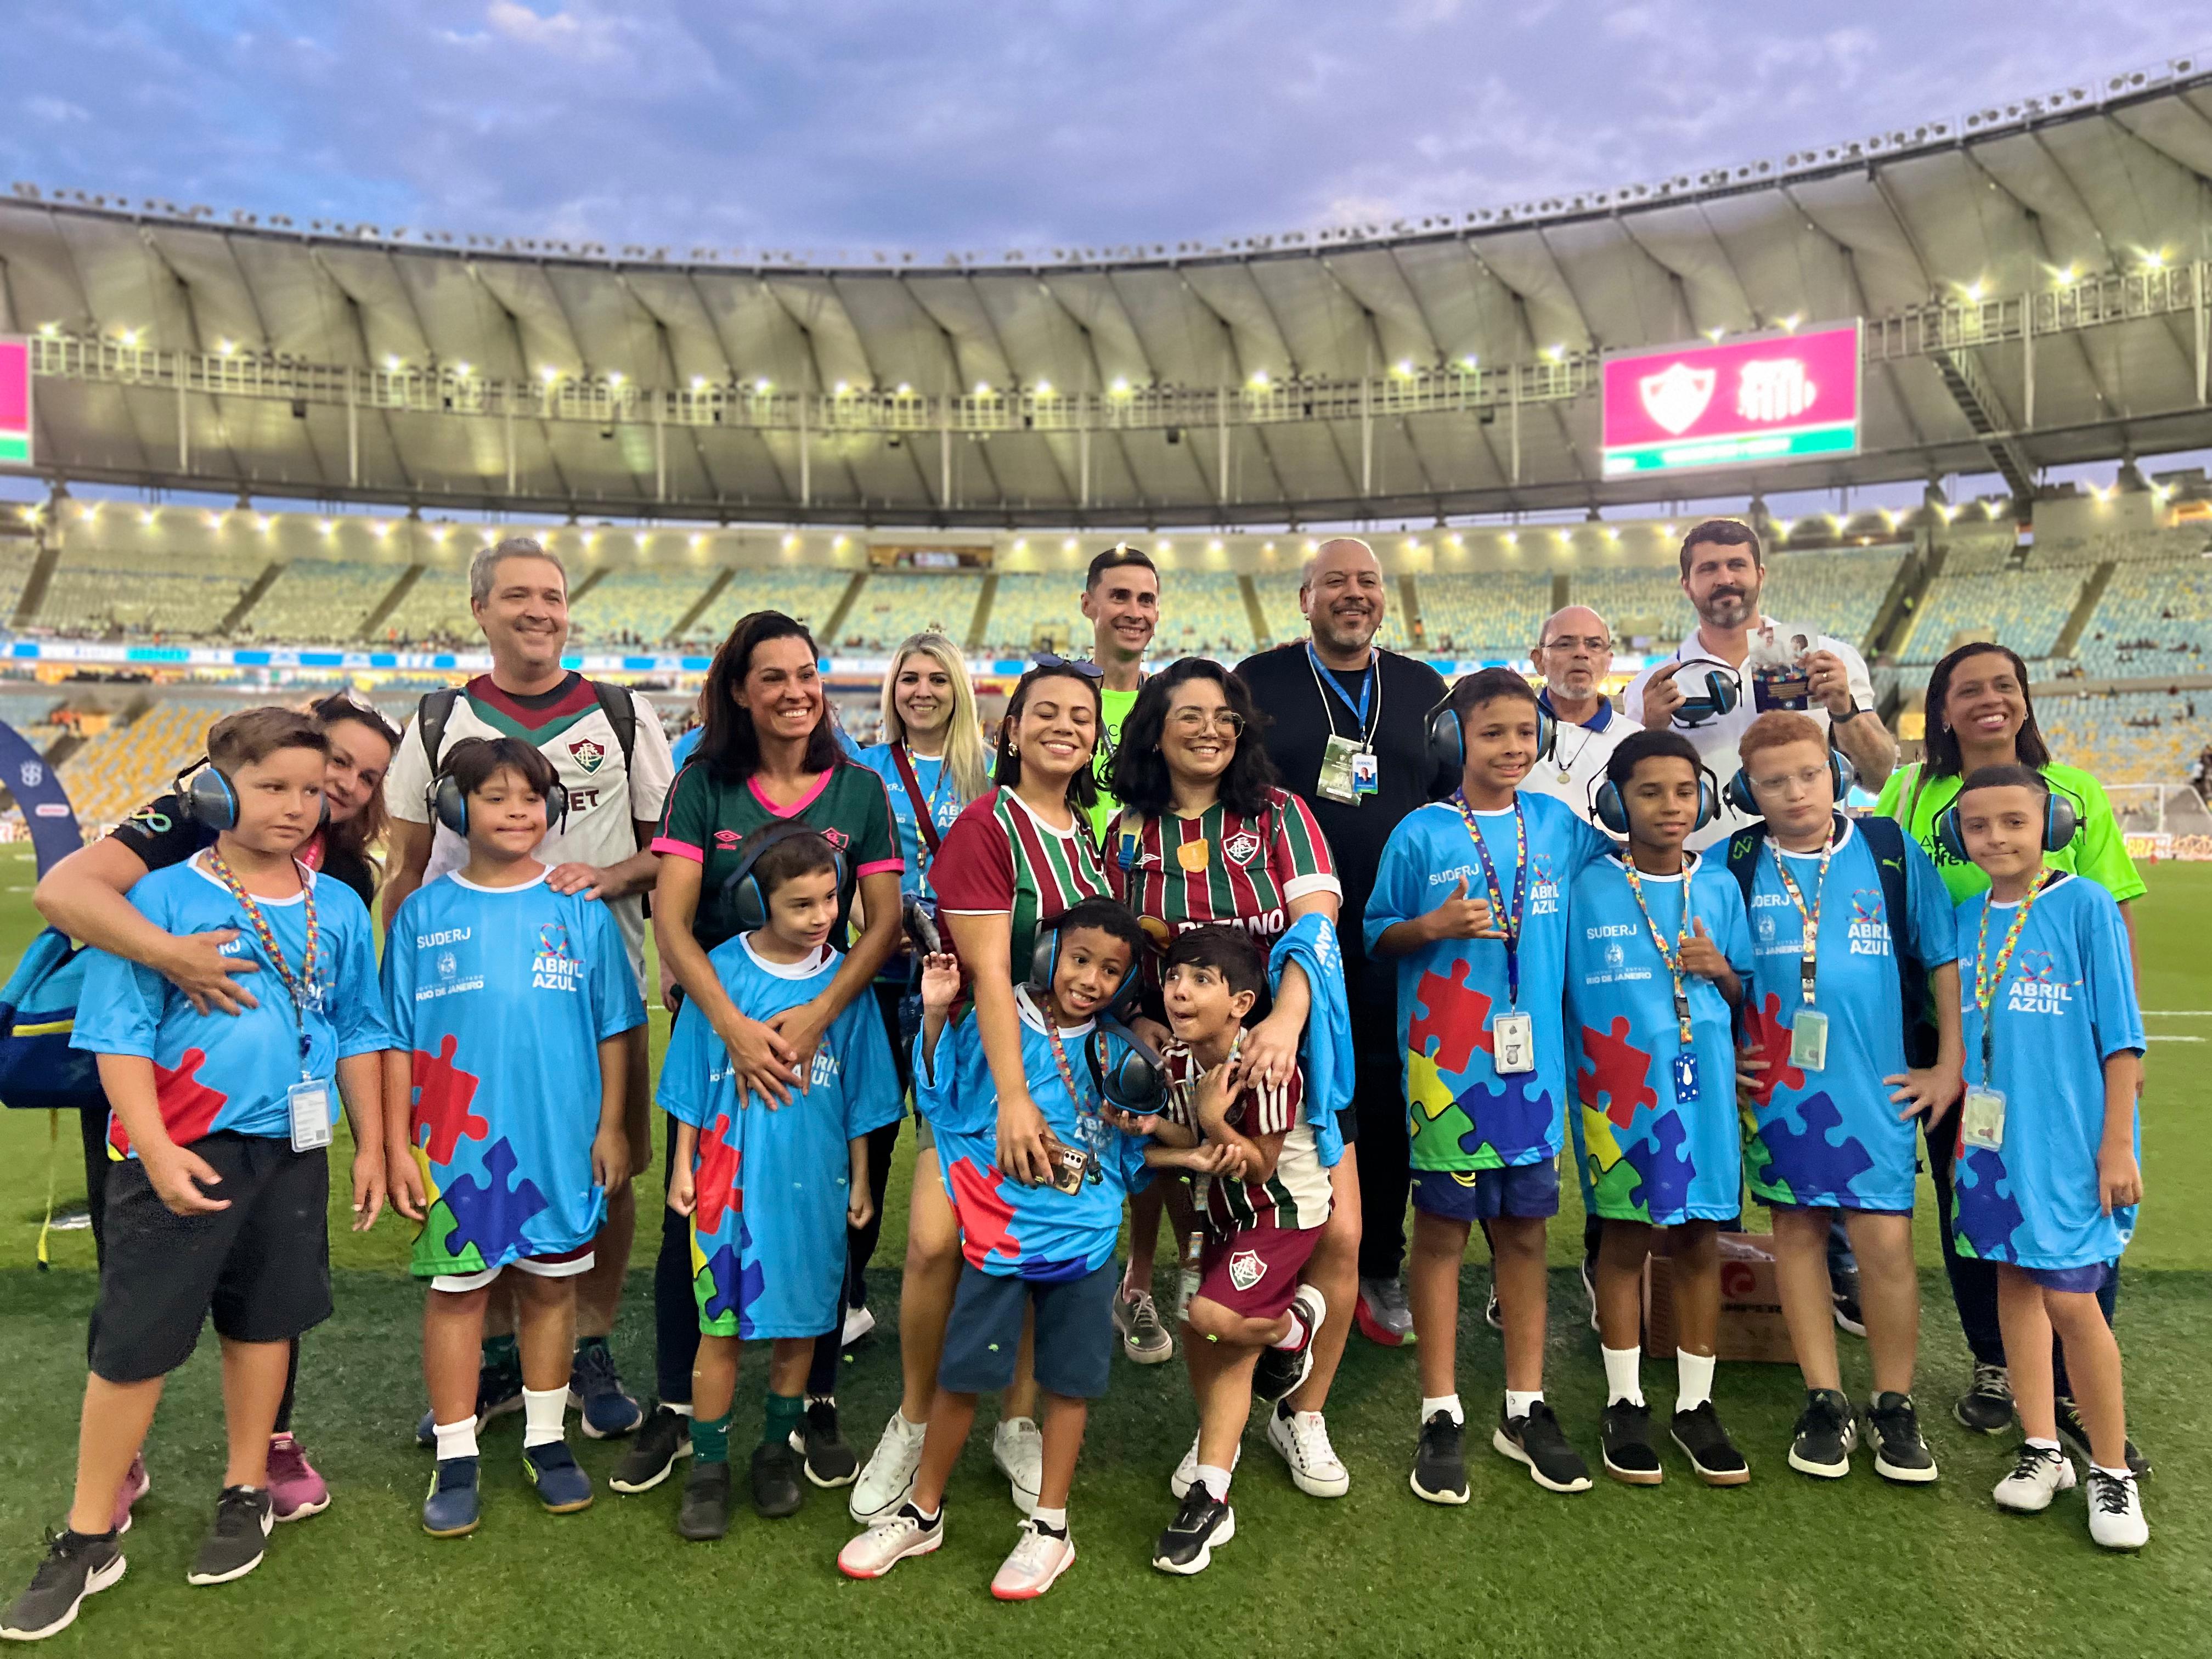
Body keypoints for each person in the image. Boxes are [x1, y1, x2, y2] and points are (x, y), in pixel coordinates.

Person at [2, 711, 391, 1643]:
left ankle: (246, 1484)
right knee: (134, 1341)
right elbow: (117, 1033)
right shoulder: (162, 899)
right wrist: (152, 1142)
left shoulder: (337, 901)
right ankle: (91, 1528)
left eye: (312, 789)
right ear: (217, 790)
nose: (301, 805)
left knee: (266, 1321)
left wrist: (376, 1141)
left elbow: (362, 1025)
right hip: (176, 1147)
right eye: (275, 787)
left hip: (291, 1151)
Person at [383, 538, 675, 1446]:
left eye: (552, 595)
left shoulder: (623, 714)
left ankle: (587, 1342)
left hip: (597, 988)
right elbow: (401, 865)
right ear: (480, 608)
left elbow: (667, 851)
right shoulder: (438, 721)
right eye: (517, 595)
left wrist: (607, 879)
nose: (539, 609)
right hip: (467, 1002)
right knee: (476, 1163)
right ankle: (502, 1354)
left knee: (607, 1166)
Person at [622, 610, 902, 1497]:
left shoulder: (857, 787)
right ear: (739, 689)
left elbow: (884, 919)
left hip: (834, 1029)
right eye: (772, 676)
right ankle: (679, 1411)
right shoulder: (704, 781)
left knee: (830, 1222)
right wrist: (734, 1026)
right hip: (718, 1027)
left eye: (806, 672)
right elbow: (669, 916)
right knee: (691, 1227)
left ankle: (810, 1404)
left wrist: (819, 1011)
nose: (795, 691)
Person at [1875, 642, 2148, 1470]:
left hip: (2059, 1045)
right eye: (1968, 691)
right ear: (1942, 710)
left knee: (2071, 1221)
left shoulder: (2077, 796)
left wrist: (2119, 1049)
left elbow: (2117, 918)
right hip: (1958, 1047)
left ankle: (2077, 1384)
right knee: (1977, 1214)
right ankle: (2001, 1368)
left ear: (2025, 699)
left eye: (2004, 685)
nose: (1989, 700)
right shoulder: (1914, 791)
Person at [848, 657, 1107, 1523]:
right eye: (1046, 713)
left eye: (1081, 714)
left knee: (1035, 1242)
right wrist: (1013, 1099)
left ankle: (1017, 1418)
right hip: (980, 1074)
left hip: (1062, 1081)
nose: (1064, 726)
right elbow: (992, 977)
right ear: (1012, 728)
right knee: (933, 1245)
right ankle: (917, 1417)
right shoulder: (986, 828)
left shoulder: (1093, 833)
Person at [838, 901, 1158, 1599]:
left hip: (1084, 1242)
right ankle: (923, 1512)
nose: (1092, 981)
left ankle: (1051, 1528)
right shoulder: (998, 1020)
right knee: (959, 1376)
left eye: (1111, 971)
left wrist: (1140, 1127)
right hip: (1001, 1237)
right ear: (1046, 956)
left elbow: (1133, 1160)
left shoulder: (1116, 1049)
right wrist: (932, 1014)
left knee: (1069, 1385)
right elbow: (942, 1098)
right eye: (1079, 960)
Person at [383, 738, 645, 1538]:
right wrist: (395, 1143)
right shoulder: (425, 913)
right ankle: (457, 1452)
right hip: (454, 1148)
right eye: (495, 799)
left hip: (557, 1143)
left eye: (531, 800)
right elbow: (396, 1036)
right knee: (457, 1293)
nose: (517, 814)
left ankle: (545, 1438)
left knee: (551, 1288)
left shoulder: (578, 907)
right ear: (457, 810)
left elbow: (614, 1030)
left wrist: (610, 1129)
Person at [1365, 668, 1610, 1503]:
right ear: (1451, 741)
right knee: (1439, 1236)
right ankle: (1441, 1409)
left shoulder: (1558, 825)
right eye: (1492, 733)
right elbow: (1375, 934)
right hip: (1447, 1080)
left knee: (1527, 1237)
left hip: (1532, 1078)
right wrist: (1431, 927)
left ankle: (1524, 1404)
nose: (1511, 749)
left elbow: (1632, 846)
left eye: (1523, 734)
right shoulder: (1422, 834)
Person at [1726, 712, 1960, 1484]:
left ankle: (1894, 1404)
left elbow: (1945, 959)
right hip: (1783, 1092)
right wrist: (1730, 1054)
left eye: (1808, 775)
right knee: (1795, 1235)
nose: (1794, 793)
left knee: (1885, 1245)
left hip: (1876, 1087)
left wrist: (1947, 1067)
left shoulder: (1888, 851)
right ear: (1747, 791)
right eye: (1773, 782)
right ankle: (1824, 1399)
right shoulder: (1738, 860)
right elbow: (1715, 972)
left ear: (1836, 773)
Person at [1103, 657, 1341, 1409]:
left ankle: (1303, 1402)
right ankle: (1218, 1415)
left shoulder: (1279, 813)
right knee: (1202, 1210)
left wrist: (1284, 1019)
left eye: (1224, 718)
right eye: (1190, 716)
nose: (1211, 731)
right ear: (1154, 732)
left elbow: (1317, 927)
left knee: (1339, 1228)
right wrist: (1138, 1016)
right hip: (1180, 1065)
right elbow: (1118, 947)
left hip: (1293, 1055)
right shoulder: (1128, 831)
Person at [1237, 540, 1448, 1362]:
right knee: (1278, 1097)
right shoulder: (1262, 680)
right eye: (1335, 584)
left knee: (1393, 1105)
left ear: (1383, 599)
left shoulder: (1425, 689)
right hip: (1286, 937)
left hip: (1398, 940)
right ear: (1305, 599)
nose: (1352, 596)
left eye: (1366, 583)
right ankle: (1266, 1256)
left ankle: (1380, 1264)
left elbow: (1444, 804)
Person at [658, 827, 901, 1539]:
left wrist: (861, 1178)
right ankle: (708, 1465)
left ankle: (774, 1450)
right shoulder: (722, 972)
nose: (822, 915)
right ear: (756, 903)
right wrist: (682, 1164)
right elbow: (689, 1078)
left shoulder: (846, 983)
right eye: (801, 905)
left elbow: (864, 1093)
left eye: (830, 898)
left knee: (801, 1323)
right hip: (728, 1183)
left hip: (813, 1183)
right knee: (720, 1327)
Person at [1948, 766, 2147, 1550]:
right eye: (1978, 826)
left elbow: (2122, 1035)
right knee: (2015, 1284)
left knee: (2073, 1302)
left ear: (2051, 825)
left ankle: (2110, 1470)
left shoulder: (2084, 906)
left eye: (2013, 823)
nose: (1996, 838)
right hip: (1995, 1143)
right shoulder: (1967, 919)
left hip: (2072, 1143)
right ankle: (2041, 1446)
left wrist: (2117, 1143)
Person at [1564, 730, 1753, 1488]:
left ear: (1703, 798)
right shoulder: (1590, 887)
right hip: (1620, 1094)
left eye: (1683, 791)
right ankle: (1624, 1399)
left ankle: (1696, 1407)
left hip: (1703, 1090)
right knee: (1625, 1236)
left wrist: (1723, 974)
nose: (1670, 807)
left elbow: (1744, 994)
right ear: (1617, 801)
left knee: (1702, 1235)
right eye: (1649, 792)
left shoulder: (1720, 888)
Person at [1146, 926, 1329, 1575]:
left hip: (1277, 1212)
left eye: (1201, 980)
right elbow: (1179, 1145)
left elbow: (1258, 1166)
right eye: (1173, 978)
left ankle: (1297, 1323)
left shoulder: (1269, 1063)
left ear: (1243, 1003)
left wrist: (1215, 1121)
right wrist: (1157, 1130)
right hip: (1218, 1213)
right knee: (1217, 1343)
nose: (1179, 991)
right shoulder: (1175, 1059)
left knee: (1214, 1321)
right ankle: (1211, 1494)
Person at [843, 633, 995, 1348]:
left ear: (959, 689)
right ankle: (845, 1295)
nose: (923, 690)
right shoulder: (863, 770)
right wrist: (871, 919)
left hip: (960, 984)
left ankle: (974, 1277)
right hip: (877, 978)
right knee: (865, 1136)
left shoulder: (990, 772)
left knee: (960, 1133)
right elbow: (832, 866)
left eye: (938, 677)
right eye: (909, 677)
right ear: (892, 689)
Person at [1624, 519, 1896, 849]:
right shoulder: (1653, 685)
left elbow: (1879, 777)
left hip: (1811, 861)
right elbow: (1634, 798)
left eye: (1737, 565)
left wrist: (1844, 709)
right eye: (1709, 569)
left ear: (1761, 575)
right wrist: (1650, 731)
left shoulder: (1828, 658)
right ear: (1687, 585)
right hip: (1702, 869)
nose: (1725, 579)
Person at [1521, 605, 1633, 821]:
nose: (1581, 653)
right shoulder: (1509, 734)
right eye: (1565, 644)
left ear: (1608, 662)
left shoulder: (1635, 740)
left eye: (1594, 645)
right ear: (1539, 660)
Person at [1082, 544, 1160, 842]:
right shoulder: (1054, 702)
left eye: (1146, 600)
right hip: (1067, 876)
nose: (1134, 613)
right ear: (1087, 604)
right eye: (1119, 596)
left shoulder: (1169, 704)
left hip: (1148, 874)